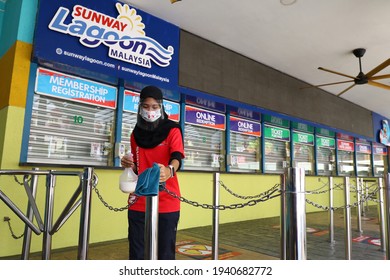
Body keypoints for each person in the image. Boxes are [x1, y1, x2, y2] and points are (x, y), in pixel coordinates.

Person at [120, 85, 185, 260]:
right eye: (146, 107)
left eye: (155, 107)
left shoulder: (172, 129)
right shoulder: (135, 134)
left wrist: (169, 170)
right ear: (140, 107)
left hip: (166, 200)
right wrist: (128, 164)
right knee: (137, 253)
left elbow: (177, 156)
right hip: (139, 200)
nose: (150, 111)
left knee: (164, 255)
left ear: (161, 107)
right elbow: (137, 166)